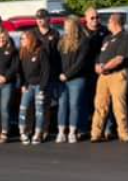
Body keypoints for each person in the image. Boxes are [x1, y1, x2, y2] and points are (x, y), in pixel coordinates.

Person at [91, 13, 128, 143]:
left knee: (119, 105)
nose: (107, 24)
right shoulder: (107, 38)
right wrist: (97, 65)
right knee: (100, 105)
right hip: (103, 76)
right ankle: (96, 134)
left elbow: (119, 58)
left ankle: (123, 132)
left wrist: (105, 67)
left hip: (117, 75)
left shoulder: (125, 37)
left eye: (109, 21)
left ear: (115, 22)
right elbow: (100, 55)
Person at [56, 16, 88, 143]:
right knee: (62, 105)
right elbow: (57, 59)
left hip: (77, 79)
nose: (65, 27)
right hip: (62, 79)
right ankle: (61, 132)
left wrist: (67, 75)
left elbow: (80, 62)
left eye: (67, 25)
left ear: (74, 26)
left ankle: (72, 132)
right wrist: (59, 74)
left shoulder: (83, 41)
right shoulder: (62, 40)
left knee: (74, 105)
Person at [18, 30, 52, 145]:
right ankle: (22, 132)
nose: (21, 41)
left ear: (30, 39)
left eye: (24, 39)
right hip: (28, 85)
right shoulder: (22, 52)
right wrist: (23, 84)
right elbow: (21, 71)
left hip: (39, 86)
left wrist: (42, 88)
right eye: (21, 39)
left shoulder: (40, 51)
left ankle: (37, 134)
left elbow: (46, 71)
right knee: (23, 108)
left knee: (39, 110)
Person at [33, 8, 63, 140]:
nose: (40, 21)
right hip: (36, 73)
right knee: (36, 104)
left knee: (47, 103)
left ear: (48, 19)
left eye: (43, 18)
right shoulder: (32, 33)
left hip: (51, 73)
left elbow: (58, 54)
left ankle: (45, 129)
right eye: (38, 18)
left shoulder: (55, 33)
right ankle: (34, 129)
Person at [80, 8, 109, 134]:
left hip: (101, 71)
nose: (95, 20)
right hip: (85, 71)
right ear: (86, 19)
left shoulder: (105, 31)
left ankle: (105, 128)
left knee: (103, 101)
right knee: (84, 101)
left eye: (97, 17)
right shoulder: (81, 32)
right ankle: (84, 128)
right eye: (92, 18)